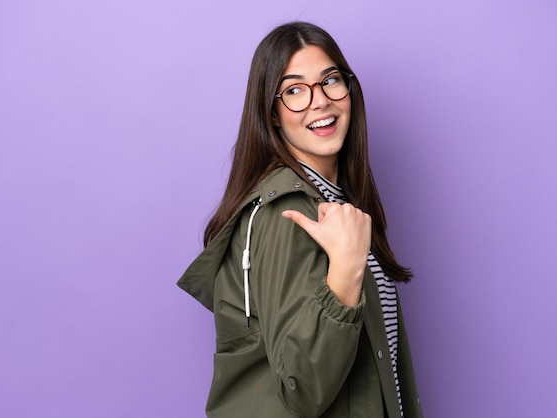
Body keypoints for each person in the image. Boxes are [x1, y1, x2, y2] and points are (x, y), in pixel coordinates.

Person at [178, 21, 423, 418]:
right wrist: (344, 271)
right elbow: (302, 389)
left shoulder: (340, 206)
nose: (320, 101)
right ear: (272, 114)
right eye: (294, 90)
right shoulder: (287, 213)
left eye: (330, 81)